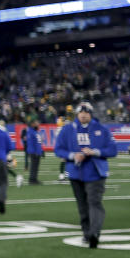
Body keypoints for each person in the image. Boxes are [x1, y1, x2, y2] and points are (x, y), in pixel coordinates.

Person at [54, 101, 117, 249]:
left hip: (96, 172)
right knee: (82, 206)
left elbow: (113, 150)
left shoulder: (101, 129)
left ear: (91, 114)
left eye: (87, 112)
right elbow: (58, 149)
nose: (83, 114)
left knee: (94, 203)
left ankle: (94, 233)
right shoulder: (68, 129)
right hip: (76, 172)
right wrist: (72, 155)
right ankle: (86, 232)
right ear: (77, 114)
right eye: (81, 112)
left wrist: (95, 152)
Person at [25, 120, 44, 184]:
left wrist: (41, 151)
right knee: (33, 166)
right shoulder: (30, 132)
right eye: (36, 123)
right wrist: (35, 151)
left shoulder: (35, 131)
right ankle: (32, 180)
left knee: (36, 166)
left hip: (37, 152)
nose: (38, 125)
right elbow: (31, 143)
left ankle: (34, 179)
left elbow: (38, 142)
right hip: (34, 152)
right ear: (32, 124)